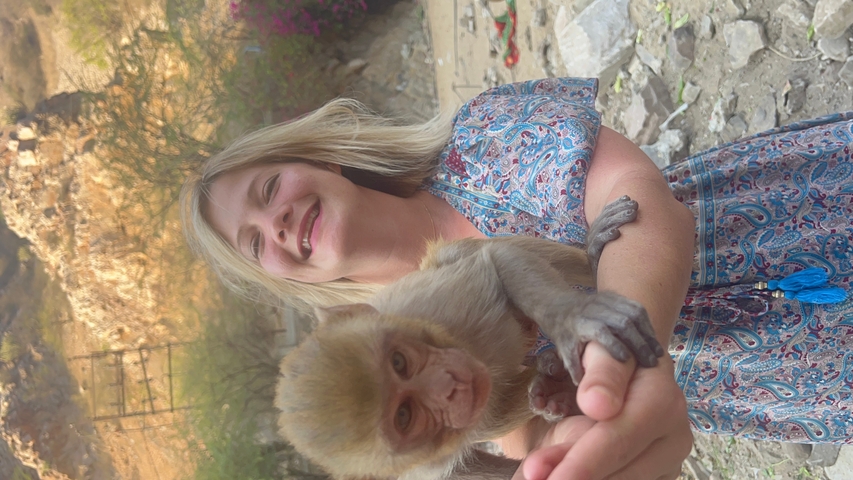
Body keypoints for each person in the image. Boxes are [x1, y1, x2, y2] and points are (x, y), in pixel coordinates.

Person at [181, 77, 853, 479]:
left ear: (318, 159)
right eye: (254, 242)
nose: (278, 223)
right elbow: (520, 436)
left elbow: (634, 194)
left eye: (269, 188)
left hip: (781, 212)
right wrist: (571, 436)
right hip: (772, 374)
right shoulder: (422, 412)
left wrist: (607, 336)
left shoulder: (480, 146)